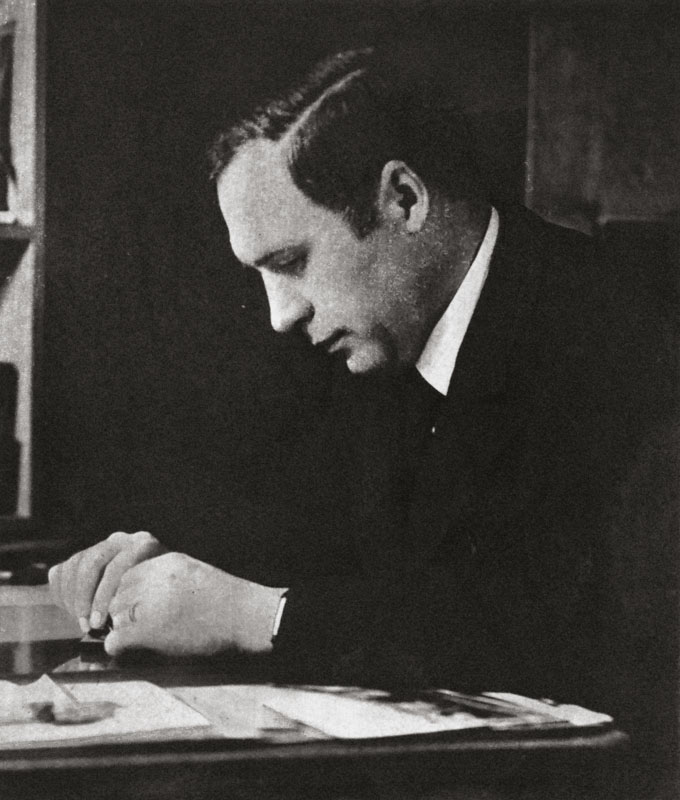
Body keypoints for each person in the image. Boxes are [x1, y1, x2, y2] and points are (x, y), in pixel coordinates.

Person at [48, 48, 675, 737]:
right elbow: (324, 547)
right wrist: (158, 567)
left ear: (403, 199)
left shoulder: (622, 334)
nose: (280, 314)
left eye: (292, 261)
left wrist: (259, 617)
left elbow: (572, 632)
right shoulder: (376, 336)